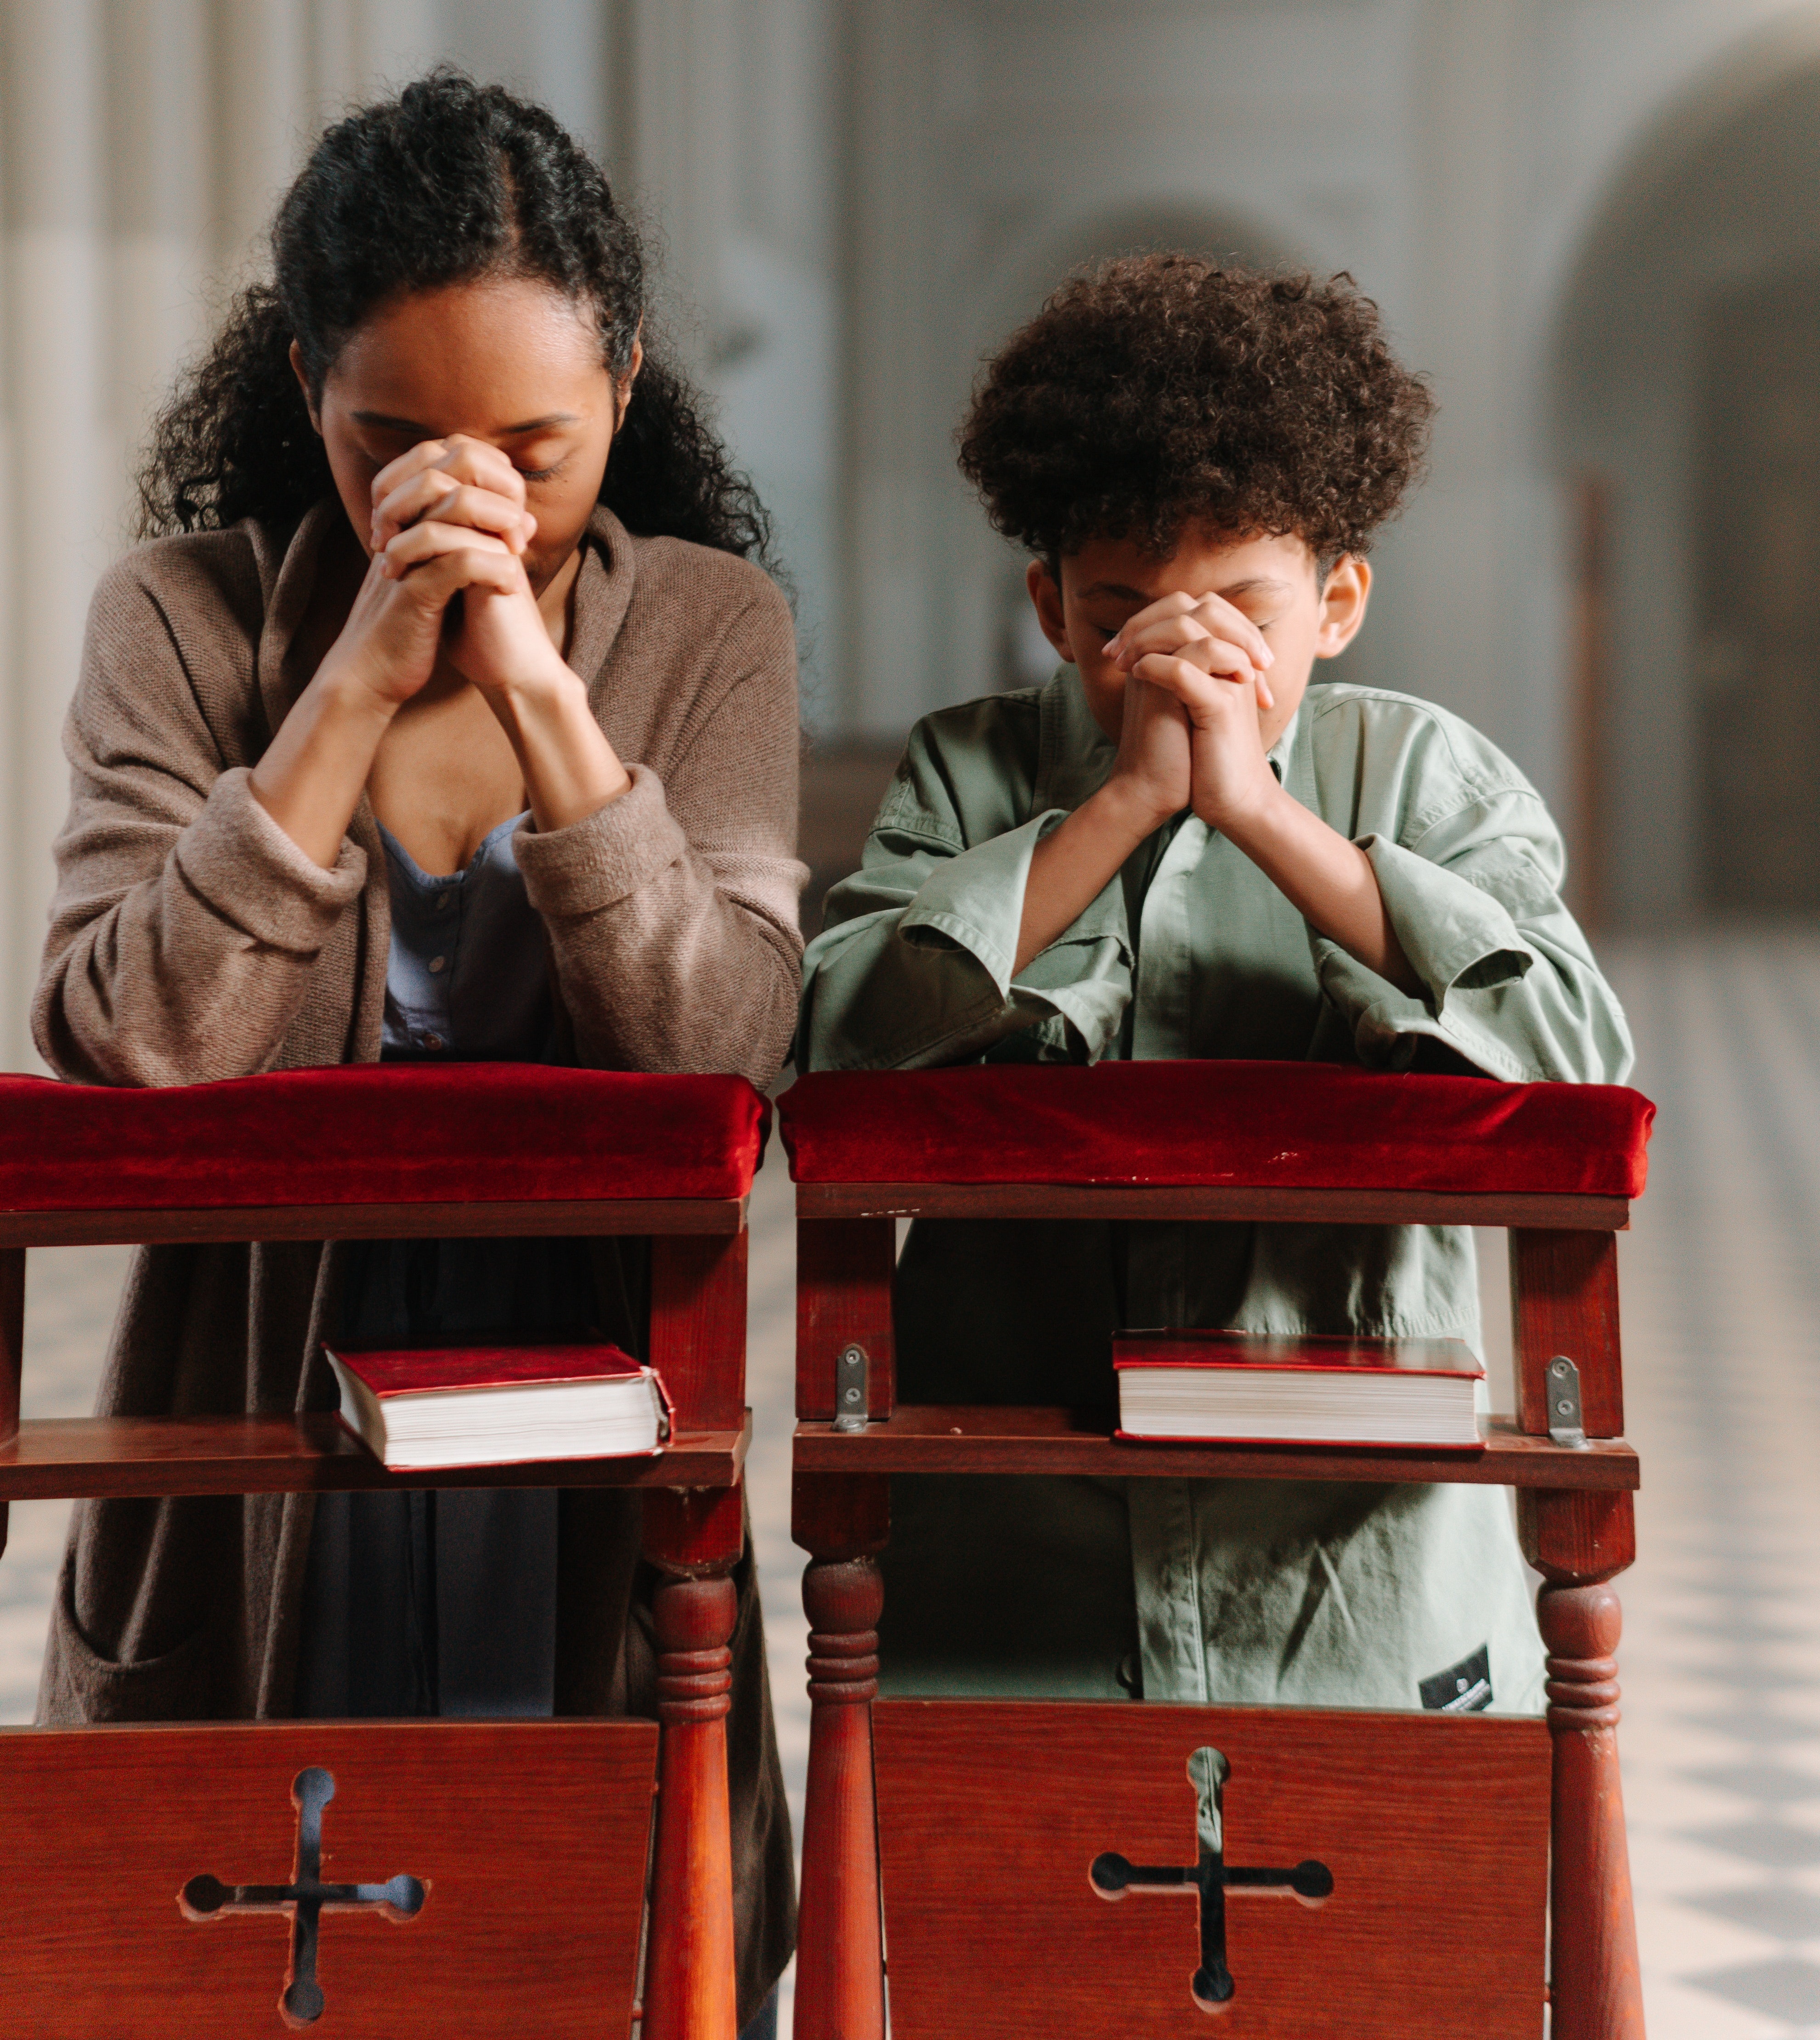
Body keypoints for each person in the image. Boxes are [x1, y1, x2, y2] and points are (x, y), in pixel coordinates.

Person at [35, 73, 798, 2033]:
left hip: (590, 1375)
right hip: (266, 1369)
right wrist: (357, 685)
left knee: (597, 1925)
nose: (465, 500)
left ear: (620, 388)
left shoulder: (707, 627)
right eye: (393, 441)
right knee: (255, 1935)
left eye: (530, 449)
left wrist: (547, 701)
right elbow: (125, 1034)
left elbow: (719, 1035)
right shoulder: (184, 621)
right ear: (307, 391)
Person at [797, 255, 1633, 1719]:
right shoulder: (965, 769)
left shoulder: (1429, 775)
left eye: (1243, 607)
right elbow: (831, 1051)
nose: (1187, 658)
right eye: (1126, 612)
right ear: (1050, 608)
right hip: (1018, 1546)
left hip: (1349, 1557)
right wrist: (1116, 809)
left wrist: (1264, 816)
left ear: (1337, 600)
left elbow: (1573, 1057)